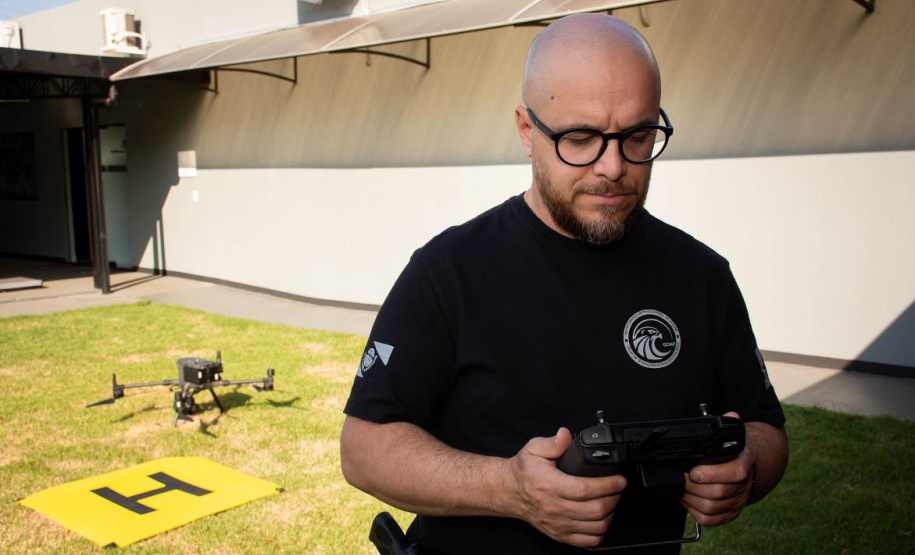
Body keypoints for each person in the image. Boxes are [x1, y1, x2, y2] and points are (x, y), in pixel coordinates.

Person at [340, 13, 788, 555]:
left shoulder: (702, 276)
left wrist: (747, 470)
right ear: (528, 132)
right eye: (580, 138)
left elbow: (767, 430)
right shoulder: (450, 271)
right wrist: (509, 488)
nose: (614, 166)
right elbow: (364, 448)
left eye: (639, 135)